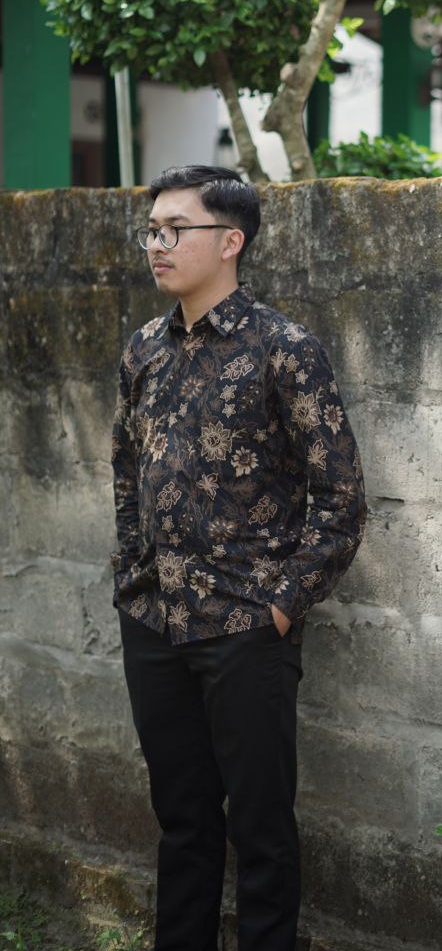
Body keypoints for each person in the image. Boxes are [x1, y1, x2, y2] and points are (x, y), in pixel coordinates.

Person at [112, 164, 366, 951]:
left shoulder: (284, 350)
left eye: (175, 230)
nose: (157, 245)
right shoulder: (143, 350)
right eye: (151, 230)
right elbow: (125, 473)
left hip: (246, 628)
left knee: (260, 829)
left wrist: (279, 610)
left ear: (231, 241)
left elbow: (341, 500)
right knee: (182, 820)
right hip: (154, 619)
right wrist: (129, 578)